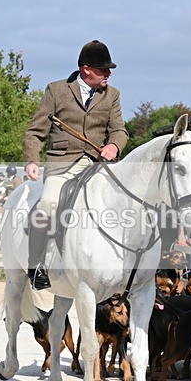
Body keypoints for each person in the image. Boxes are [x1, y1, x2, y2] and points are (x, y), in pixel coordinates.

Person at [22, 39, 128, 290]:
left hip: (98, 165)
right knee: (48, 204)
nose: (109, 74)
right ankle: (36, 264)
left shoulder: (112, 95)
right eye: (104, 70)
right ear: (86, 69)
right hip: (62, 163)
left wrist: (113, 146)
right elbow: (35, 132)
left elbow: (119, 130)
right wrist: (32, 160)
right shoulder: (56, 90)